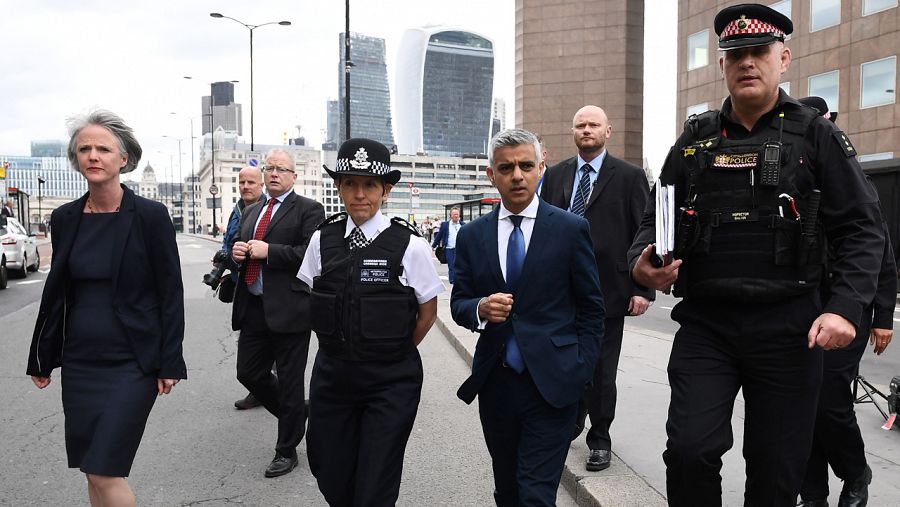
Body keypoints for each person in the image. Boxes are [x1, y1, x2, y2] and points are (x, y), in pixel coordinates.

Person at [627, 5, 885, 505]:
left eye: (759, 52)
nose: (747, 62)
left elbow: (863, 229)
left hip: (791, 328)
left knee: (774, 474)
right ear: (722, 66)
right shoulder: (694, 139)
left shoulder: (817, 135)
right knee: (688, 451)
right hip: (708, 325)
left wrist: (845, 308)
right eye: (735, 54)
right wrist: (641, 262)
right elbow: (652, 220)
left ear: (782, 58)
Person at [26, 109, 186, 507]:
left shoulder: (150, 217)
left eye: (102, 148)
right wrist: (42, 356)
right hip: (82, 362)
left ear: (123, 160)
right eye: (84, 149)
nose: (93, 155)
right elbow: (58, 294)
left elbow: (170, 293)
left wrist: (170, 361)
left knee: (104, 468)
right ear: (76, 159)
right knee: (91, 467)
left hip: (133, 361)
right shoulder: (65, 218)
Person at [451, 128, 606, 506]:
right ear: (492, 175)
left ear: (541, 167)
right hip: (497, 384)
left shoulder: (570, 229)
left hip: (553, 384)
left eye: (525, 165)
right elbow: (459, 302)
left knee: (536, 494)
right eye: (506, 168)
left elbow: (591, 307)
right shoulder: (473, 235)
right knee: (508, 490)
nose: (516, 175)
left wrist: (579, 369)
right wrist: (480, 309)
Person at [298, 138, 443, 506]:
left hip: (390, 381)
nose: (359, 194)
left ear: (386, 190)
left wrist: (393, 351)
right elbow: (309, 293)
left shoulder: (410, 246)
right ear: (339, 187)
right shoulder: (322, 239)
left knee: (375, 482)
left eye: (369, 185)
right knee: (328, 468)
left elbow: (427, 312)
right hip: (333, 376)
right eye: (350, 183)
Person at [540, 104, 654, 472]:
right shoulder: (555, 176)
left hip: (610, 290)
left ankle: (600, 439)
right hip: (561, 290)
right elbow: (543, 229)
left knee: (603, 369)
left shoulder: (630, 176)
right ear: (573, 132)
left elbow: (643, 234)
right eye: (580, 125)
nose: (586, 130)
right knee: (564, 361)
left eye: (593, 125)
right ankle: (571, 418)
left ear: (609, 131)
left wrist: (643, 289)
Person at [797, 96, 896, 507]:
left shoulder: (851, 177)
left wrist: (884, 314)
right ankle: (812, 494)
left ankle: (856, 472)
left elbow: (880, 248)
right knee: (802, 405)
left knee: (831, 401)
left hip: (847, 307)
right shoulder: (792, 179)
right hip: (800, 306)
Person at [230, 148, 325, 478]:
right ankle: (297, 414)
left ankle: (286, 450)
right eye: (269, 168)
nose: (273, 174)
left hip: (291, 308)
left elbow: (310, 255)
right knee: (249, 373)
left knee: (289, 380)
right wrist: (237, 253)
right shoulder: (251, 212)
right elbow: (241, 253)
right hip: (254, 306)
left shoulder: (309, 210)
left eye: (281, 169)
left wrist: (270, 251)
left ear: (293, 176)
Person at [222, 166, 266, 411]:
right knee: (250, 341)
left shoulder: (268, 211)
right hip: (242, 284)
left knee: (268, 343)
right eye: (242, 182)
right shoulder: (237, 210)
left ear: (261, 185)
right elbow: (229, 240)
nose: (246, 186)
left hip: (264, 287)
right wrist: (226, 257)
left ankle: (268, 389)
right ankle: (260, 387)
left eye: (251, 182)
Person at [432, 206, 465, 283]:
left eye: (457, 214)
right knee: (451, 265)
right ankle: (452, 280)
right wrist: (433, 246)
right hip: (449, 249)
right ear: (450, 215)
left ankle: (459, 279)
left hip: (459, 249)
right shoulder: (445, 225)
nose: (456, 216)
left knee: (459, 265)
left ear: (459, 215)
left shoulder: (463, 225)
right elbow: (439, 236)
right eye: (454, 214)